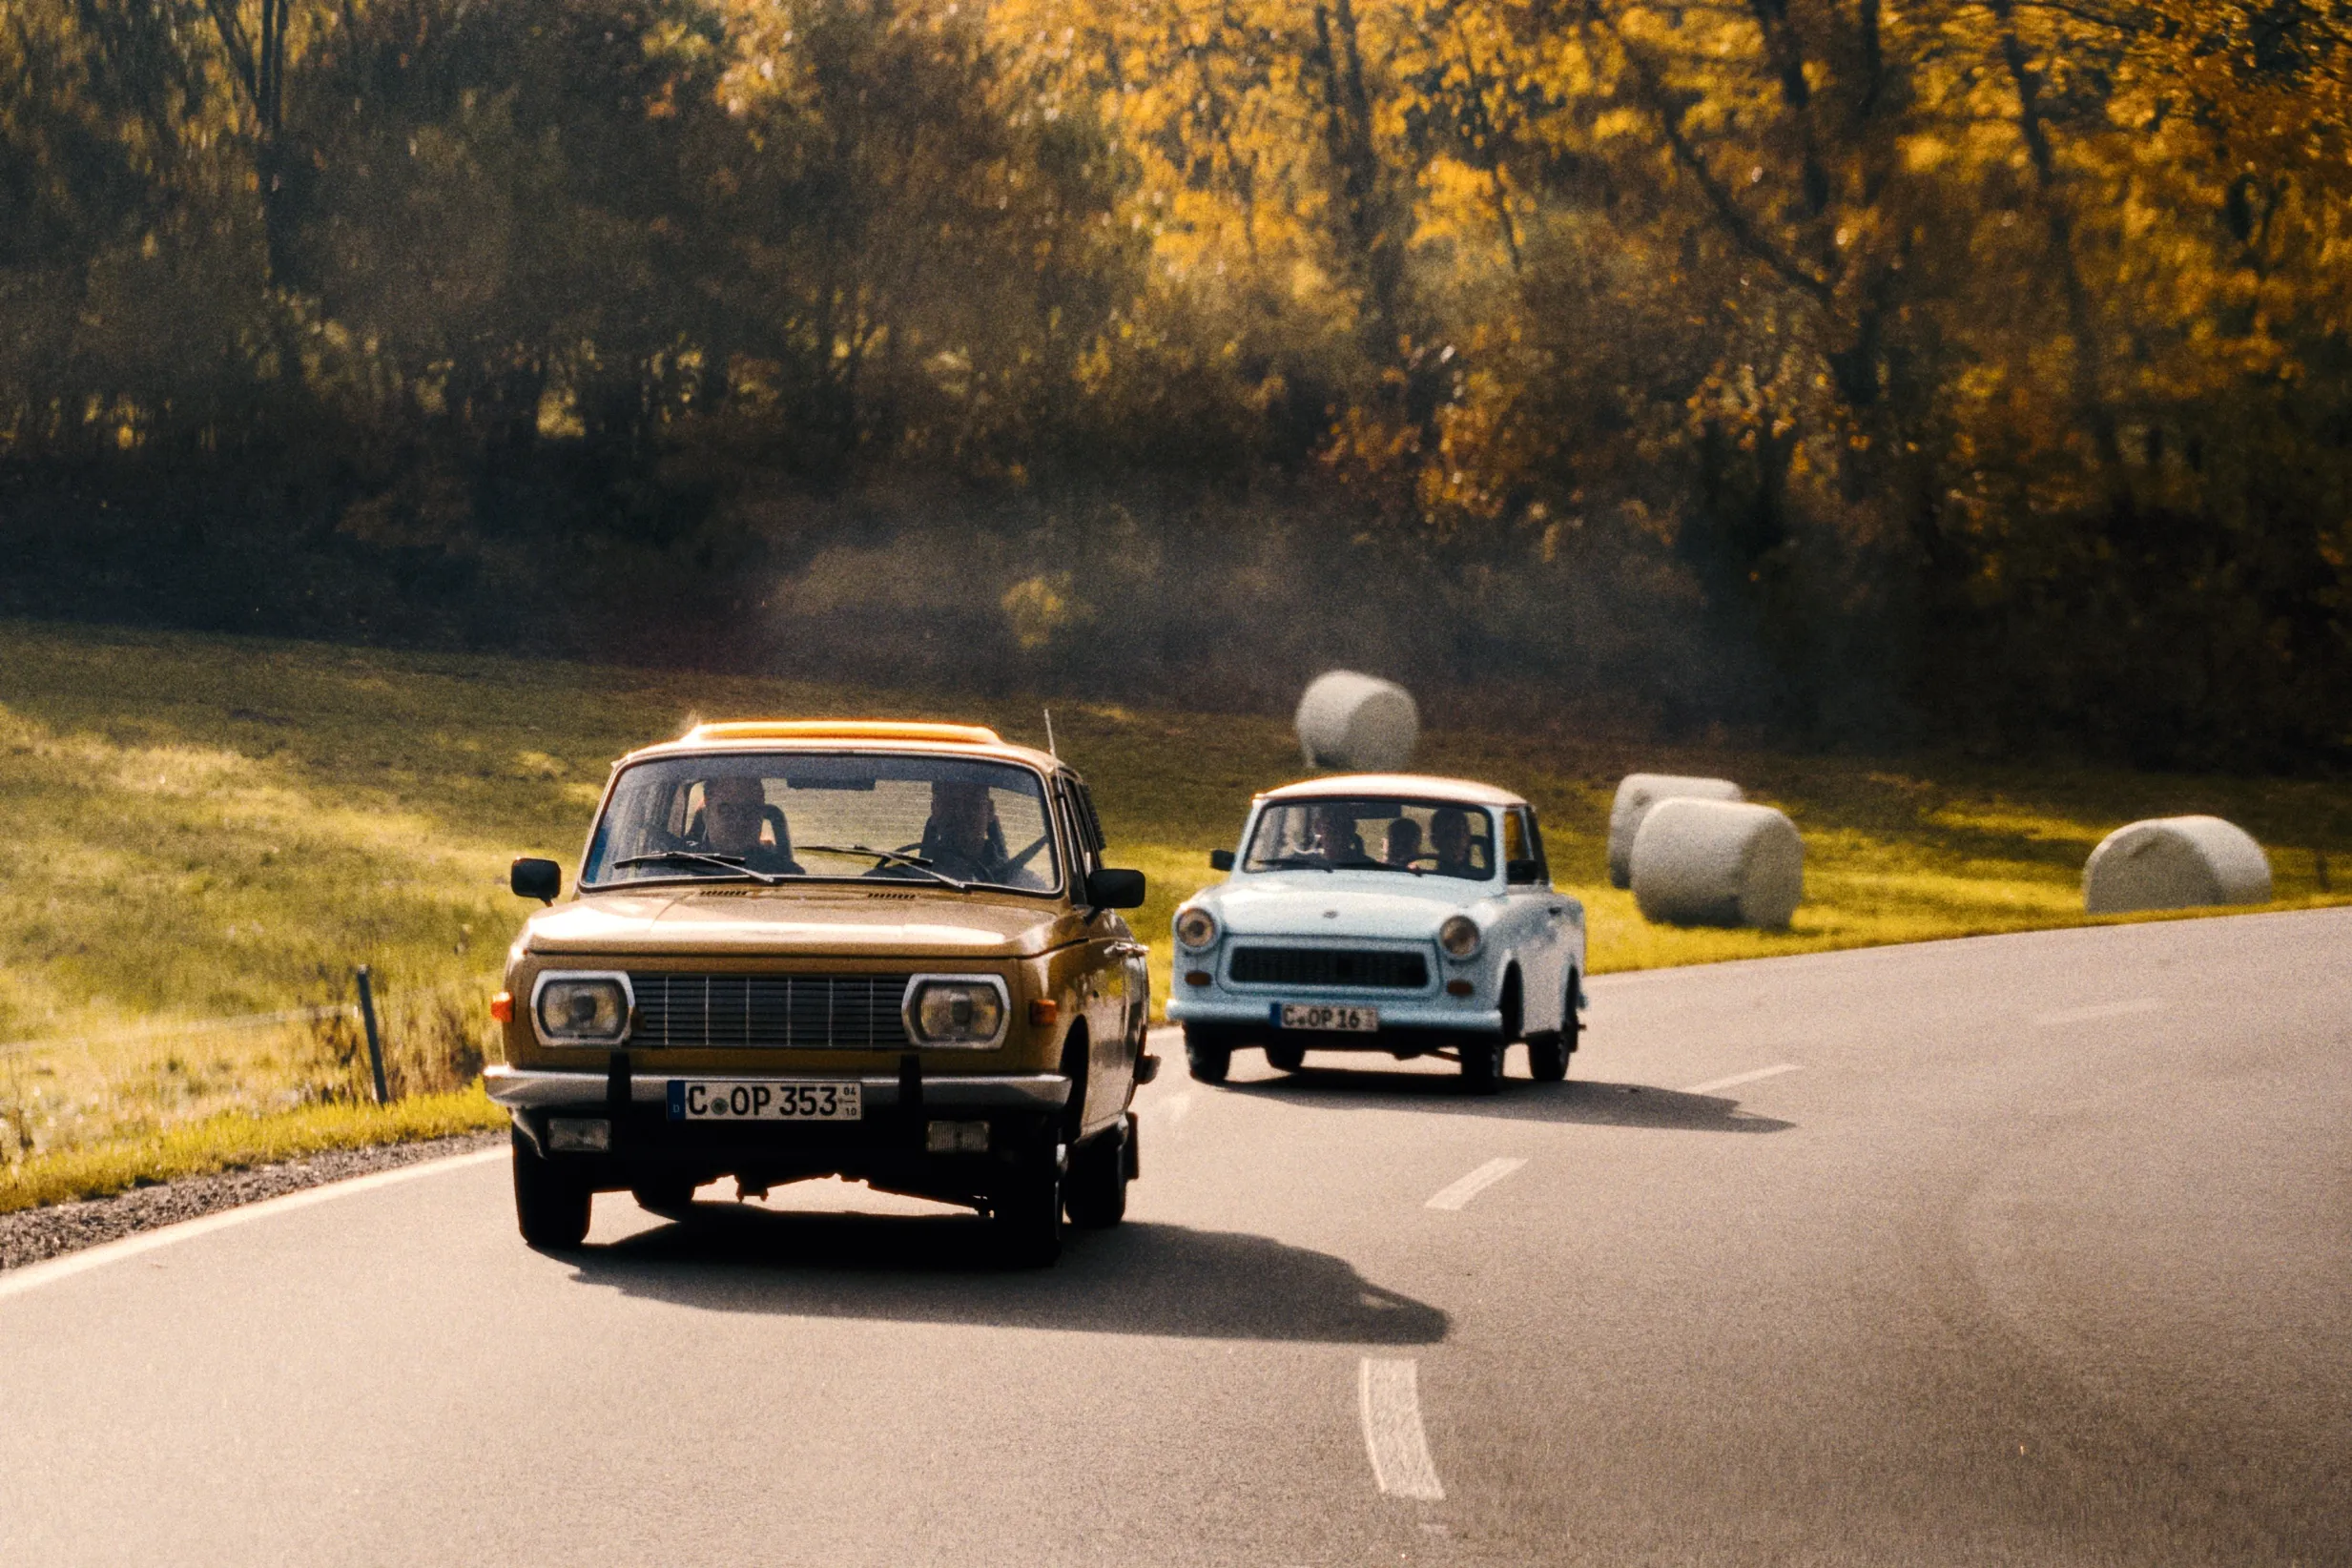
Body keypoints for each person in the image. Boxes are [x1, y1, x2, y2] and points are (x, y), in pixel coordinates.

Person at [920, 778, 1042, 887]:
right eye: (950, 804)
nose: (960, 815)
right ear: (934, 811)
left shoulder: (1025, 886)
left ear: (989, 811)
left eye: (971, 805)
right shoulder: (906, 878)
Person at [699, 775, 802, 875]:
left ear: (761, 815)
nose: (739, 820)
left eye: (749, 810)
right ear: (706, 815)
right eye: (726, 811)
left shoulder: (788, 874)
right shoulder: (685, 865)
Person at [1430, 806, 1481, 879]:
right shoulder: (1428, 878)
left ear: (1468, 837)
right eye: (1448, 834)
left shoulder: (1483, 878)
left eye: (1459, 832)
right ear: (1434, 840)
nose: (1455, 840)